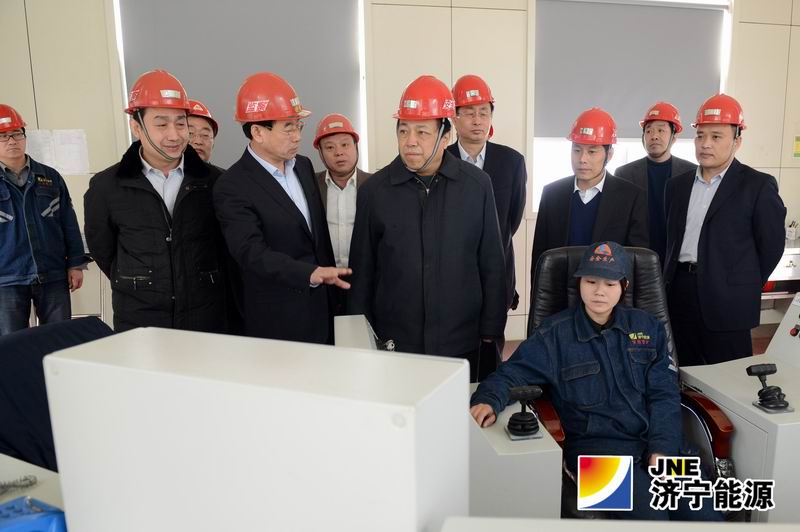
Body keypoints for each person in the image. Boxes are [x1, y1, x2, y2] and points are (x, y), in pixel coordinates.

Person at [471, 241, 721, 521]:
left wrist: (663, 448)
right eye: (591, 281)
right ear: (579, 283)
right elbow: (511, 373)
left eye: (610, 284)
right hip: (593, 458)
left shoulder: (648, 327)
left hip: (658, 441)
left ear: (624, 286)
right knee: (651, 520)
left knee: (706, 517)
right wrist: (489, 399)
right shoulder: (554, 335)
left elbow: (664, 393)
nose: (599, 291)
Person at [347, 75, 507, 382]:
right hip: (397, 340)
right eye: (403, 130)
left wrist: (490, 329)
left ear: (445, 135)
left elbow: (491, 263)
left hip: (460, 338)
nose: (410, 141)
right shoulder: (375, 191)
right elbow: (363, 272)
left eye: (422, 132)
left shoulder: (476, 186)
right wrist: (359, 338)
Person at [84, 70, 229, 332]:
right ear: (137, 127)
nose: (174, 135)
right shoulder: (107, 186)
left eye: (181, 124)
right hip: (141, 319)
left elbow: (225, 249)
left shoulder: (216, 182)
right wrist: (137, 281)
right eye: (161, 125)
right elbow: (103, 249)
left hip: (205, 315)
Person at [213, 72, 347, 344]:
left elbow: (316, 236)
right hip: (277, 319)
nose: (297, 136)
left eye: (299, 125)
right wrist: (308, 274)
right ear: (257, 132)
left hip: (321, 309)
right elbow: (250, 252)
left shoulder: (303, 166)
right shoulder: (232, 185)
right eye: (288, 128)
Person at [664, 94, 786, 366]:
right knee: (681, 373)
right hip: (680, 293)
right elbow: (670, 242)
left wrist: (740, 283)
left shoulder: (757, 186)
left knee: (727, 375)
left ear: (737, 141)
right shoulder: (676, 186)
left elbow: (771, 247)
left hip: (728, 300)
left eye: (716, 136)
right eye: (700, 136)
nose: (705, 144)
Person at [529, 107, 647, 332]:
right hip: (559, 302)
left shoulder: (631, 197)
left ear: (609, 155)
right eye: (577, 150)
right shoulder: (552, 194)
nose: (582, 159)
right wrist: (538, 304)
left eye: (592, 151)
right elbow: (540, 258)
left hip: (607, 306)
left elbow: (635, 261)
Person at [447, 75, 526, 377]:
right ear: (454, 117)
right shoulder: (440, 161)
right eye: (469, 113)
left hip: (497, 273)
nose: (477, 120)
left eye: (483, 112)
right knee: (453, 357)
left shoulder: (512, 162)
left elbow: (511, 219)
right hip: (451, 276)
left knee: (491, 355)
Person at [0, 104, 88, 335]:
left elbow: (68, 221)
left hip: (53, 273)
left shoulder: (49, 176)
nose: (12, 141)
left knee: (59, 338)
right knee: (11, 344)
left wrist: (76, 264)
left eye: (17, 133)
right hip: (7, 279)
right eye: (3, 136)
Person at [615, 102, 696, 265]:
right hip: (637, 257)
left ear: (674, 136)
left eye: (661, 130)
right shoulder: (624, 174)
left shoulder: (692, 172)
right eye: (648, 130)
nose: (654, 136)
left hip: (677, 260)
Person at [313, 113, 371, 269]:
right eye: (330, 147)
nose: (339, 152)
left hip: (365, 275)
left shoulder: (375, 185)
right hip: (324, 276)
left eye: (345, 145)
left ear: (356, 146)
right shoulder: (310, 186)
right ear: (320, 153)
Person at [187, 99, 219, 164]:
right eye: (190, 133)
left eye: (205, 135)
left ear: (213, 144)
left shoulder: (231, 171)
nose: (198, 142)